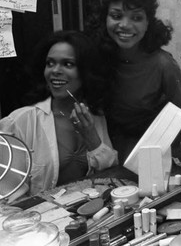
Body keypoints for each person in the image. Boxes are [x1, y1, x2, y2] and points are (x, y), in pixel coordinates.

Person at [86, 0, 181, 164]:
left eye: (136, 18)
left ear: (148, 23)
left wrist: (155, 156)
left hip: (152, 156)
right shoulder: (97, 56)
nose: (125, 25)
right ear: (104, 18)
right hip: (104, 153)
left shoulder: (163, 64)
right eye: (117, 16)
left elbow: (180, 114)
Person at [0, 31, 118, 198]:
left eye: (68, 64)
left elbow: (112, 177)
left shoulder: (95, 116)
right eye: (50, 63)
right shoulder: (20, 122)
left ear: (85, 72)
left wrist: (93, 139)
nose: (55, 70)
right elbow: (8, 196)